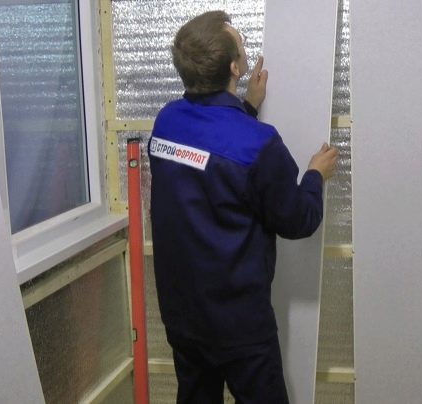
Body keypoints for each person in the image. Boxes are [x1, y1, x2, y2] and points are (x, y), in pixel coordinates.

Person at [148, 10, 338, 404]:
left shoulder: (166, 123)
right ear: (234, 67)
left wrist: (247, 107)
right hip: (238, 326)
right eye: (240, 43)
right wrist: (315, 175)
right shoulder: (259, 144)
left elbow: (211, 162)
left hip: (183, 315)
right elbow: (298, 220)